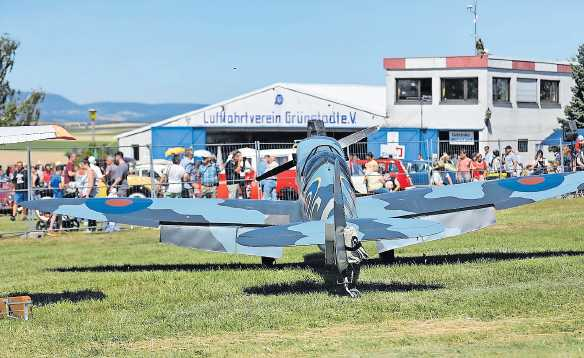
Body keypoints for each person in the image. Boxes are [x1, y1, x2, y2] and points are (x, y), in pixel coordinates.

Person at [81, 158, 98, 231]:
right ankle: (92, 227)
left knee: (89, 211)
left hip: (89, 194)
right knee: (89, 211)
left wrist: (87, 194)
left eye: (82, 164)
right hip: (86, 193)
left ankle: (91, 228)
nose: (81, 166)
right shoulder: (88, 171)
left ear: (86, 164)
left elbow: (90, 183)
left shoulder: (90, 171)